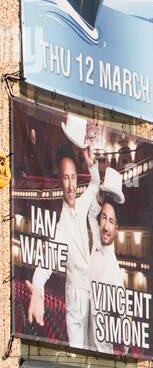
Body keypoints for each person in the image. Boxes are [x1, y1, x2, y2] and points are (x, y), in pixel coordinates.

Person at [27, 141, 99, 349]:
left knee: (100, 357)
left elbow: (94, 184)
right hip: (75, 301)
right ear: (59, 180)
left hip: (93, 297)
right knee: (78, 353)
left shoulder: (83, 203)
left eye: (73, 177)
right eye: (66, 178)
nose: (70, 185)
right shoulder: (59, 228)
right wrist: (38, 290)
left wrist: (90, 163)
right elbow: (45, 266)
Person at [87, 184, 126, 354]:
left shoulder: (114, 272)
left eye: (111, 221)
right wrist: (101, 193)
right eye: (104, 218)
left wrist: (126, 347)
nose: (106, 227)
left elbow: (124, 316)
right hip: (82, 342)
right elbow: (90, 214)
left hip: (100, 353)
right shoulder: (97, 238)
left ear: (116, 229)